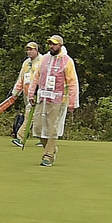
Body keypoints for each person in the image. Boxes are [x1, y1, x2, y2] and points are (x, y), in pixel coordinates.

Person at [32, 33, 79, 167]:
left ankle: (48, 156)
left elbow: (72, 82)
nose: (51, 46)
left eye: (54, 44)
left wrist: (72, 102)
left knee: (52, 128)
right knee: (38, 127)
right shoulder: (44, 59)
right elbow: (37, 76)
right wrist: (31, 94)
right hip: (42, 98)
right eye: (50, 44)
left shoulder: (67, 61)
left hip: (59, 100)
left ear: (60, 45)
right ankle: (51, 149)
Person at [8, 41, 42, 147]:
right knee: (37, 117)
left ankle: (20, 138)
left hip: (38, 94)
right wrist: (15, 92)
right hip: (27, 94)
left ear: (37, 50)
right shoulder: (26, 63)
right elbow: (21, 79)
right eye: (27, 49)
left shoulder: (42, 61)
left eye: (31, 49)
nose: (29, 51)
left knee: (30, 116)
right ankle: (44, 139)